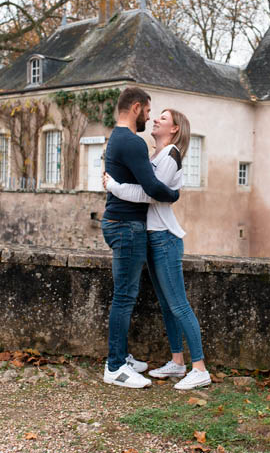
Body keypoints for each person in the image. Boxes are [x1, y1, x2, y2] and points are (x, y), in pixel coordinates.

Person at [104, 108, 211, 390]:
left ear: (174, 129)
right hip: (153, 237)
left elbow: (148, 194)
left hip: (164, 238)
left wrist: (114, 186)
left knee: (178, 304)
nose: (155, 120)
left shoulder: (171, 153)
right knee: (166, 305)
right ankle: (177, 362)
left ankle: (199, 368)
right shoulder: (156, 155)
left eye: (162, 118)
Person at [102, 87, 180, 389]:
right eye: (148, 112)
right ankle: (116, 367)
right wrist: (173, 195)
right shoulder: (132, 141)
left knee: (125, 295)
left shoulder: (116, 137)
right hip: (126, 226)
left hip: (119, 223)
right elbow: (152, 186)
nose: (149, 117)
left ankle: (121, 355)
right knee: (124, 296)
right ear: (136, 108)